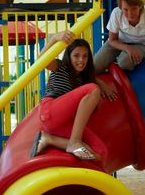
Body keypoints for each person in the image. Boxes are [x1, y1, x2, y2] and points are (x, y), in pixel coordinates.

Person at [30, 31, 107, 161]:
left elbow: (87, 81)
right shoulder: (61, 66)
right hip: (49, 111)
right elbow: (41, 62)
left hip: (62, 123)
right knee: (93, 89)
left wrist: (98, 80)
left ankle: (50, 139)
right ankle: (74, 142)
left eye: (85, 56)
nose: (81, 60)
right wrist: (54, 39)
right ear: (69, 56)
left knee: (100, 152)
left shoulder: (82, 81)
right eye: (76, 56)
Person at [94, 0, 145, 74]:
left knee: (125, 62)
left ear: (140, 6)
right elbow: (112, 40)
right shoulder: (117, 13)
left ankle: (120, 64)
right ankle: (113, 63)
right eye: (126, 10)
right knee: (94, 67)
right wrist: (128, 48)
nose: (130, 14)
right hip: (118, 42)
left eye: (134, 9)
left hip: (140, 44)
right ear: (120, 7)